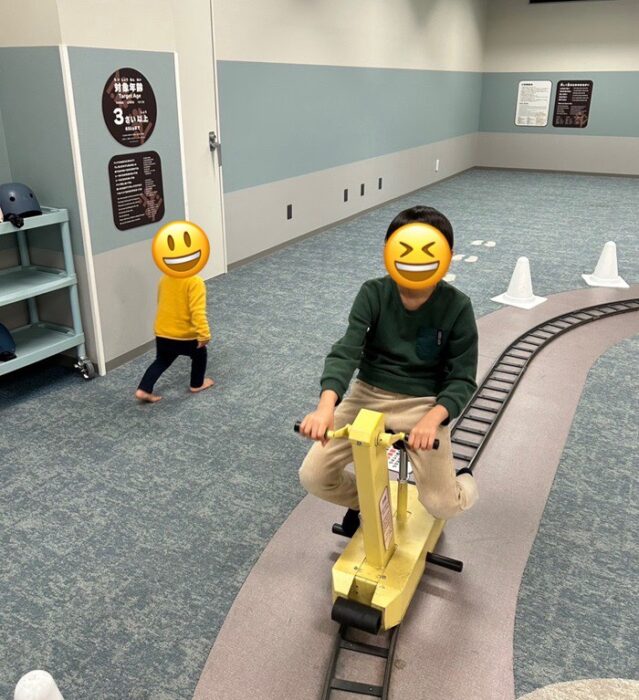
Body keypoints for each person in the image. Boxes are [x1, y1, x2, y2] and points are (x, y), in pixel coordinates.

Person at [298, 205, 478, 534]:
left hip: (423, 402)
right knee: (314, 476)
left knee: (442, 505)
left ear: (447, 256)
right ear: (389, 252)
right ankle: (365, 502)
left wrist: (433, 418)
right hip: (367, 394)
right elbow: (346, 350)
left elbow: (462, 378)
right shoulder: (373, 293)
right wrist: (326, 407)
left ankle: (464, 480)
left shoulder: (457, 306)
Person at [135, 221, 214, 402]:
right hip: (185, 335)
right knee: (200, 355)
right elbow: (197, 311)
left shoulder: (166, 277)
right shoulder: (195, 282)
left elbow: (162, 303)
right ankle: (197, 384)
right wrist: (204, 334)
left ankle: (143, 389)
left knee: (162, 360)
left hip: (163, 331)